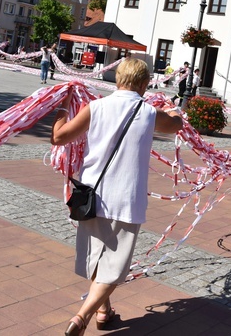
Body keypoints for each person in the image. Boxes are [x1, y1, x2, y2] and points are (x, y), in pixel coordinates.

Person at [51, 58, 183, 335]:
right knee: (115, 265)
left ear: (117, 80)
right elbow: (175, 125)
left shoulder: (95, 107)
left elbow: (60, 138)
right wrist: (172, 108)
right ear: (145, 83)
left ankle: (104, 311)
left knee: (99, 257)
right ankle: (81, 316)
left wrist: (62, 109)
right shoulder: (148, 112)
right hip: (126, 196)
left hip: (90, 194)